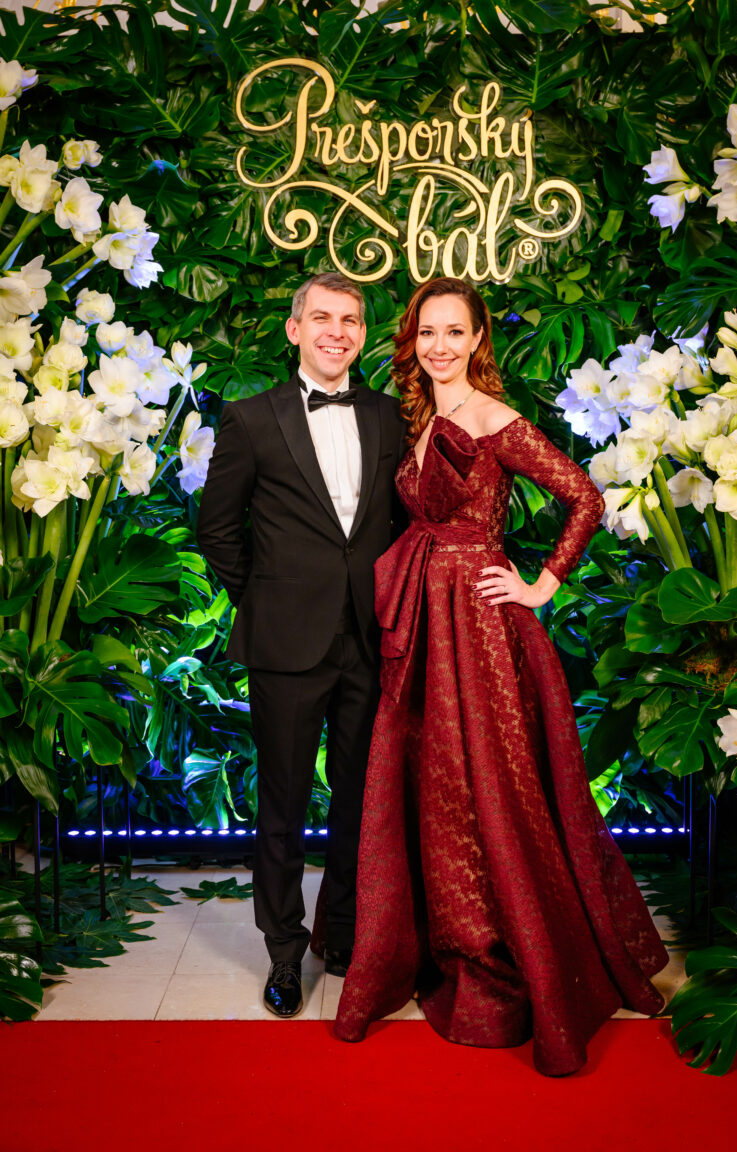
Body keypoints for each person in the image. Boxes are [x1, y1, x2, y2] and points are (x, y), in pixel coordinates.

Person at [334, 277, 668, 1076]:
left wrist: (541, 585)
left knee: (488, 784)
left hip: (480, 627)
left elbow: (583, 496)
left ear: (480, 339)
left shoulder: (491, 418)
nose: (439, 346)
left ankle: (509, 955)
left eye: (455, 331)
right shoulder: (424, 418)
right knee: (438, 782)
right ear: (412, 341)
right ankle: (450, 939)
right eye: (427, 332)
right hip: (425, 618)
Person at [197, 272, 405, 1018]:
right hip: (285, 643)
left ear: (362, 334)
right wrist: (261, 599)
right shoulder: (252, 419)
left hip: (370, 638)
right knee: (282, 807)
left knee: (358, 802)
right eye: (322, 318)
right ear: (295, 330)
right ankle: (285, 953)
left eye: (349, 320)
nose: (336, 332)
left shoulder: (391, 416)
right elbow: (217, 528)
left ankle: (339, 934)